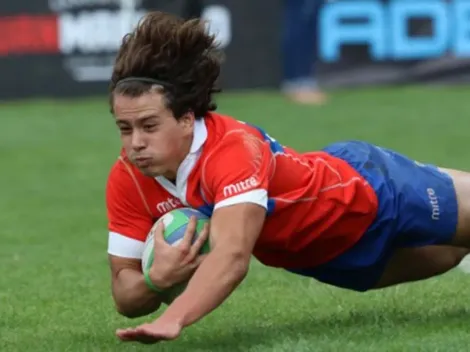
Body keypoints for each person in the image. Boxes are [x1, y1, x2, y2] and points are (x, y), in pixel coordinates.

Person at [107, 11, 470, 344]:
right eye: (125, 128)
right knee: (452, 253)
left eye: (149, 126)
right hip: (328, 258)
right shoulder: (128, 179)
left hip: (372, 192)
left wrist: (174, 318)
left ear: (186, 119)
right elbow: (125, 294)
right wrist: (157, 279)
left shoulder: (231, 149)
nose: (136, 143)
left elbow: (233, 256)